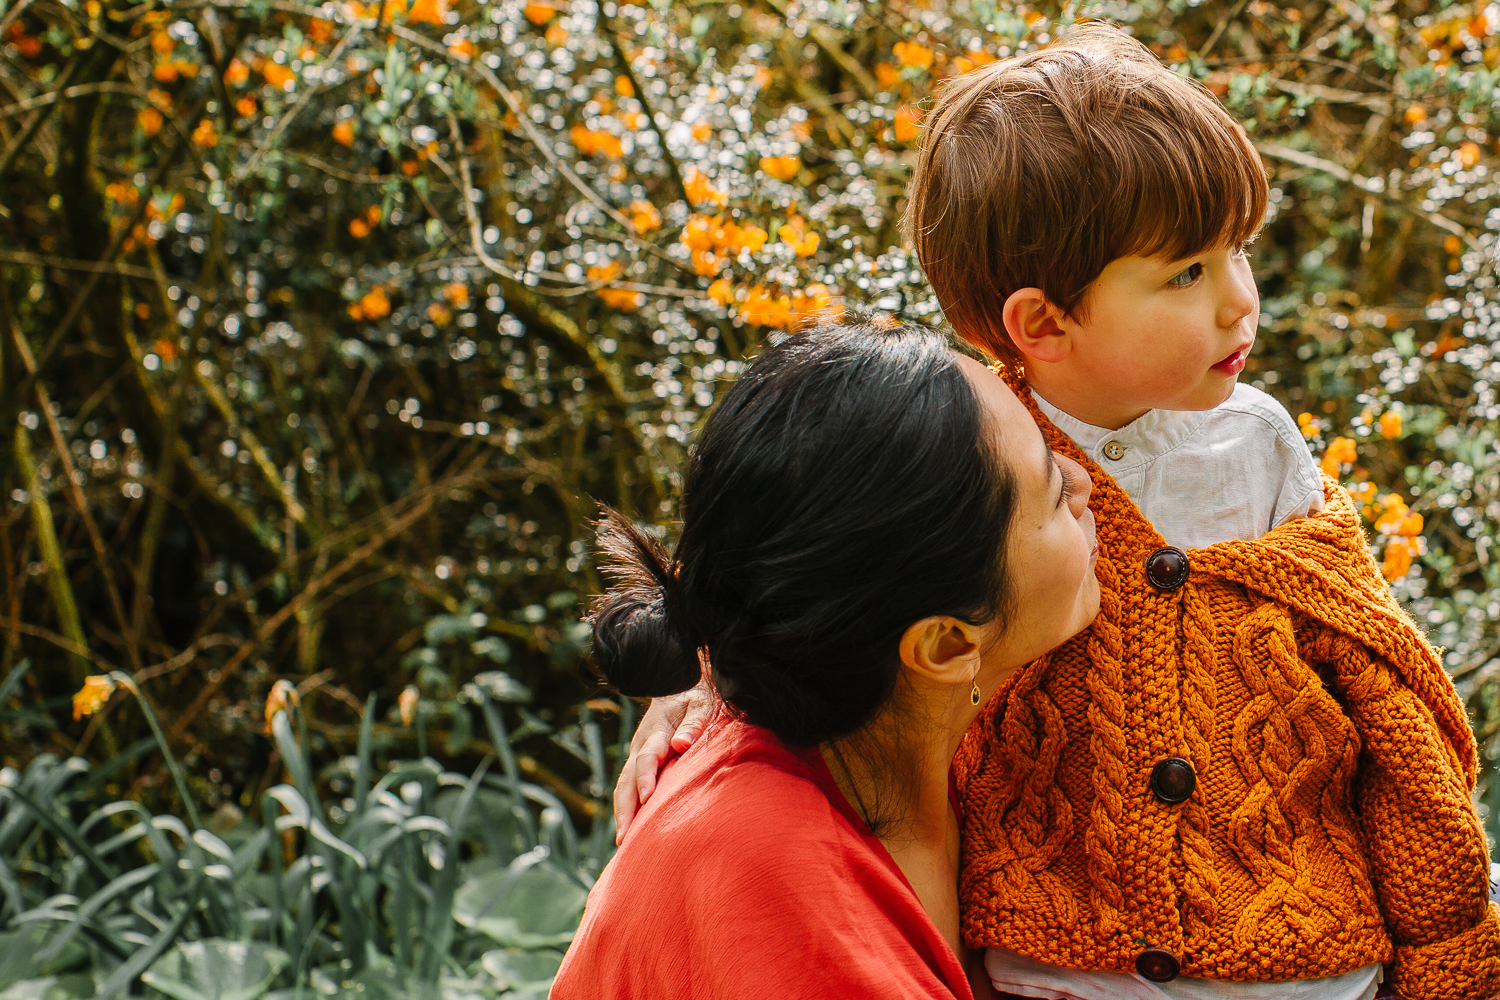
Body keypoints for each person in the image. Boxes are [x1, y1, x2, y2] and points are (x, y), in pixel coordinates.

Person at [618, 24, 1500, 1000]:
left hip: (1302, 965)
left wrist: (1446, 949)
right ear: (1043, 323)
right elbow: (842, 573)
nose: (1243, 302)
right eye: (1188, 273)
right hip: (1062, 973)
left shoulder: (1259, 447)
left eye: (1238, 251)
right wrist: (706, 674)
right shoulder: (970, 462)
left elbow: (1384, 690)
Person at [551, 317, 1101, 999]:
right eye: (1053, 494)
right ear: (946, 644)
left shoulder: (923, 717)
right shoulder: (777, 895)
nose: (1086, 485)